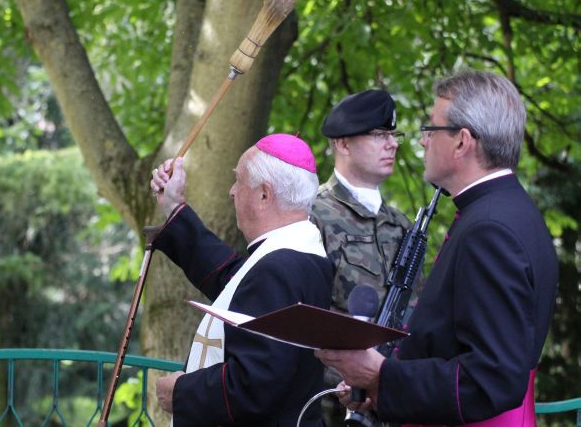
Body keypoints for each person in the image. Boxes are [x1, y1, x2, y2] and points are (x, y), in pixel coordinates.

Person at [316, 70, 559, 426]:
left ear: (462, 142)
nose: (421, 142)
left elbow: (489, 379)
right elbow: (448, 343)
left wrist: (381, 375)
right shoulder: (504, 212)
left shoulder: (490, 230)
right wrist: (383, 387)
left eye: (431, 129)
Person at [150, 134, 333, 427]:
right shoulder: (298, 251)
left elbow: (255, 384)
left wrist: (181, 392)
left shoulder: (280, 267)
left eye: (239, 180)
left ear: (264, 194)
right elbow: (234, 282)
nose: (232, 191)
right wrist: (174, 207)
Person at [310, 89, 412, 426]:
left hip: (394, 404)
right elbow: (302, 321)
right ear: (343, 144)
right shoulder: (313, 216)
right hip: (331, 409)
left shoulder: (403, 226)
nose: (393, 144)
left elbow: (414, 319)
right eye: (379, 134)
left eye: (393, 135)